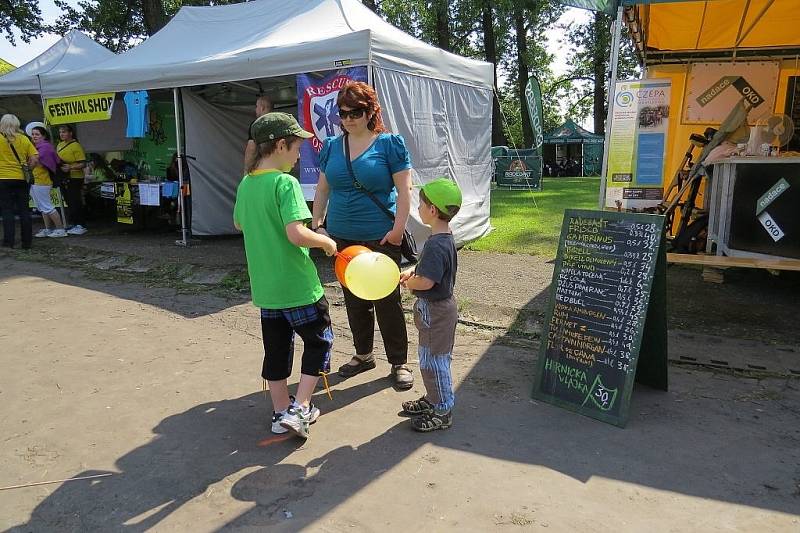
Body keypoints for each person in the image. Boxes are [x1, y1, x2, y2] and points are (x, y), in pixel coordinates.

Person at [233, 112, 337, 440]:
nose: (298, 155)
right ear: (280, 145)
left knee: (277, 349)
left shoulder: (247, 183)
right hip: (298, 285)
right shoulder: (284, 183)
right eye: (296, 148)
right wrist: (325, 241)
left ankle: (281, 412)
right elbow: (296, 234)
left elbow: (239, 223)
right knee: (320, 341)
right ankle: (301, 406)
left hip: (266, 288)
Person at [311, 80, 414, 390]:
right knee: (354, 299)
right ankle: (363, 354)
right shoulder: (331, 146)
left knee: (387, 301)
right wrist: (318, 225)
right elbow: (323, 188)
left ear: (370, 111)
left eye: (356, 111)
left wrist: (397, 231)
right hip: (342, 239)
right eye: (343, 113)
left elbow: (404, 191)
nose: (348, 118)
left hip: (380, 238)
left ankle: (398, 361)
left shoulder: (389, 144)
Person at [399, 178, 462, 432]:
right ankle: (433, 398)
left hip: (436, 311)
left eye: (422, 204)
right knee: (428, 358)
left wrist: (410, 282)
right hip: (435, 310)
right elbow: (429, 269)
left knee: (434, 361)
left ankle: (443, 408)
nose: (419, 208)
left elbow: (426, 281)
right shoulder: (443, 237)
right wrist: (414, 271)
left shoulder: (436, 244)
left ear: (433, 210)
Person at [0, 114, 38, 249]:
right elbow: (34, 159)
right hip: (21, 178)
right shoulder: (24, 139)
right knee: (24, 210)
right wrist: (28, 169)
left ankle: (8, 242)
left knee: (7, 211)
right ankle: (26, 242)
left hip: (3, 178)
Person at [29, 126, 67, 238]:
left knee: (47, 206)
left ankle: (60, 229)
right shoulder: (36, 147)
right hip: (36, 180)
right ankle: (48, 229)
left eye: (37, 134)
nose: (34, 136)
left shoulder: (45, 148)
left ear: (44, 136)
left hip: (43, 180)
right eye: (33, 134)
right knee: (42, 206)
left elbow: (38, 162)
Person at [57, 124, 88, 235]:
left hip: (75, 176)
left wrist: (71, 167)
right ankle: (74, 222)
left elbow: (83, 163)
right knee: (69, 201)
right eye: (60, 132)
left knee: (75, 200)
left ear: (70, 133)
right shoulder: (60, 145)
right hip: (64, 176)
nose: (62, 134)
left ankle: (81, 224)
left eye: (64, 132)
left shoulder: (76, 145)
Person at [242, 94, 273, 173]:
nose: (255, 109)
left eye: (256, 106)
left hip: (260, 168)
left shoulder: (257, 124)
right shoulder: (280, 123)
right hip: (276, 167)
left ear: (262, 108)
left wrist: (246, 170)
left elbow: (251, 148)